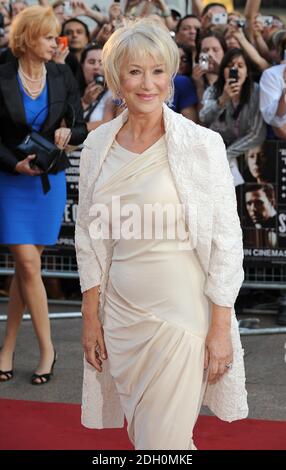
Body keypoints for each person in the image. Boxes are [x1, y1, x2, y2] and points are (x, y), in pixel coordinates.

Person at [75, 18, 247, 450]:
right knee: (142, 436)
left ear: (171, 77)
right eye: (134, 71)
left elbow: (227, 242)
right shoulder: (98, 146)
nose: (147, 83)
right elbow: (89, 238)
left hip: (181, 317)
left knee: (164, 444)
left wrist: (221, 328)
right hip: (120, 317)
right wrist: (91, 317)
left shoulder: (201, 145)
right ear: (116, 78)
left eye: (157, 71)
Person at [0, 5, 87, 384]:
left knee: (26, 269)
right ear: (28, 38)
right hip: (9, 180)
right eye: (50, 37)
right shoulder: (2, 73)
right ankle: (48, 349)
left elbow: (80, 125)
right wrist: (12, 163)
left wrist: (69, 135)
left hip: (46, 183)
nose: (57, 43)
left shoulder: (61, 73)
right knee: (28, 265)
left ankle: (6, 347)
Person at [199, 48, 266, 186]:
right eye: (230, 66)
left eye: (240, 66)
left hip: (245, 157)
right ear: (223, 70)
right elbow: (203, 117)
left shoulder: (256, 91)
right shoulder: (213, 91)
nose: (235, 69)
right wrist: (222, 100)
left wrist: (227, 154)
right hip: (215, 156)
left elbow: (258, 133)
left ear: (247, 72)